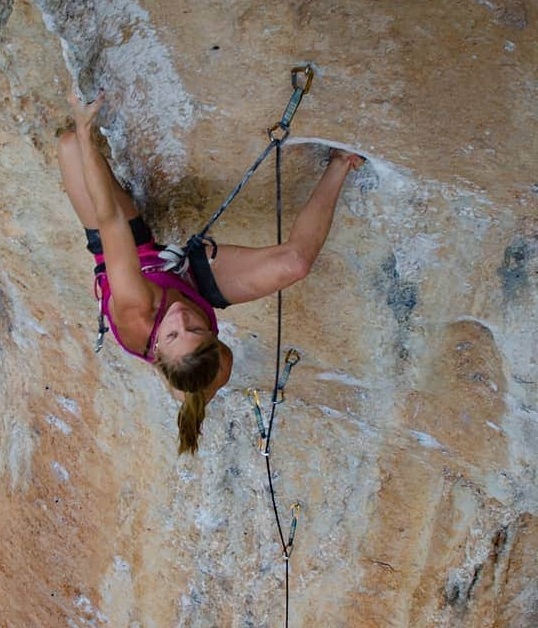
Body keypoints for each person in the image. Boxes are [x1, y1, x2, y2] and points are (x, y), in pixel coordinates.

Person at [59, 86, 364, 455]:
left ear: (156, 347)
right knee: (294, 265)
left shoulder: (134, 309)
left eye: (173, 334)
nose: (183, 317)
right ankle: (341, 162)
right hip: (187, 278)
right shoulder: (218, 362)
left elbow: (109, 220)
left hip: (135, 255)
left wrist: (86, 127)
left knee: (72, 147)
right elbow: (192, 354)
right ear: (215, 342)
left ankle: (86, 142)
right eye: (198, 328)